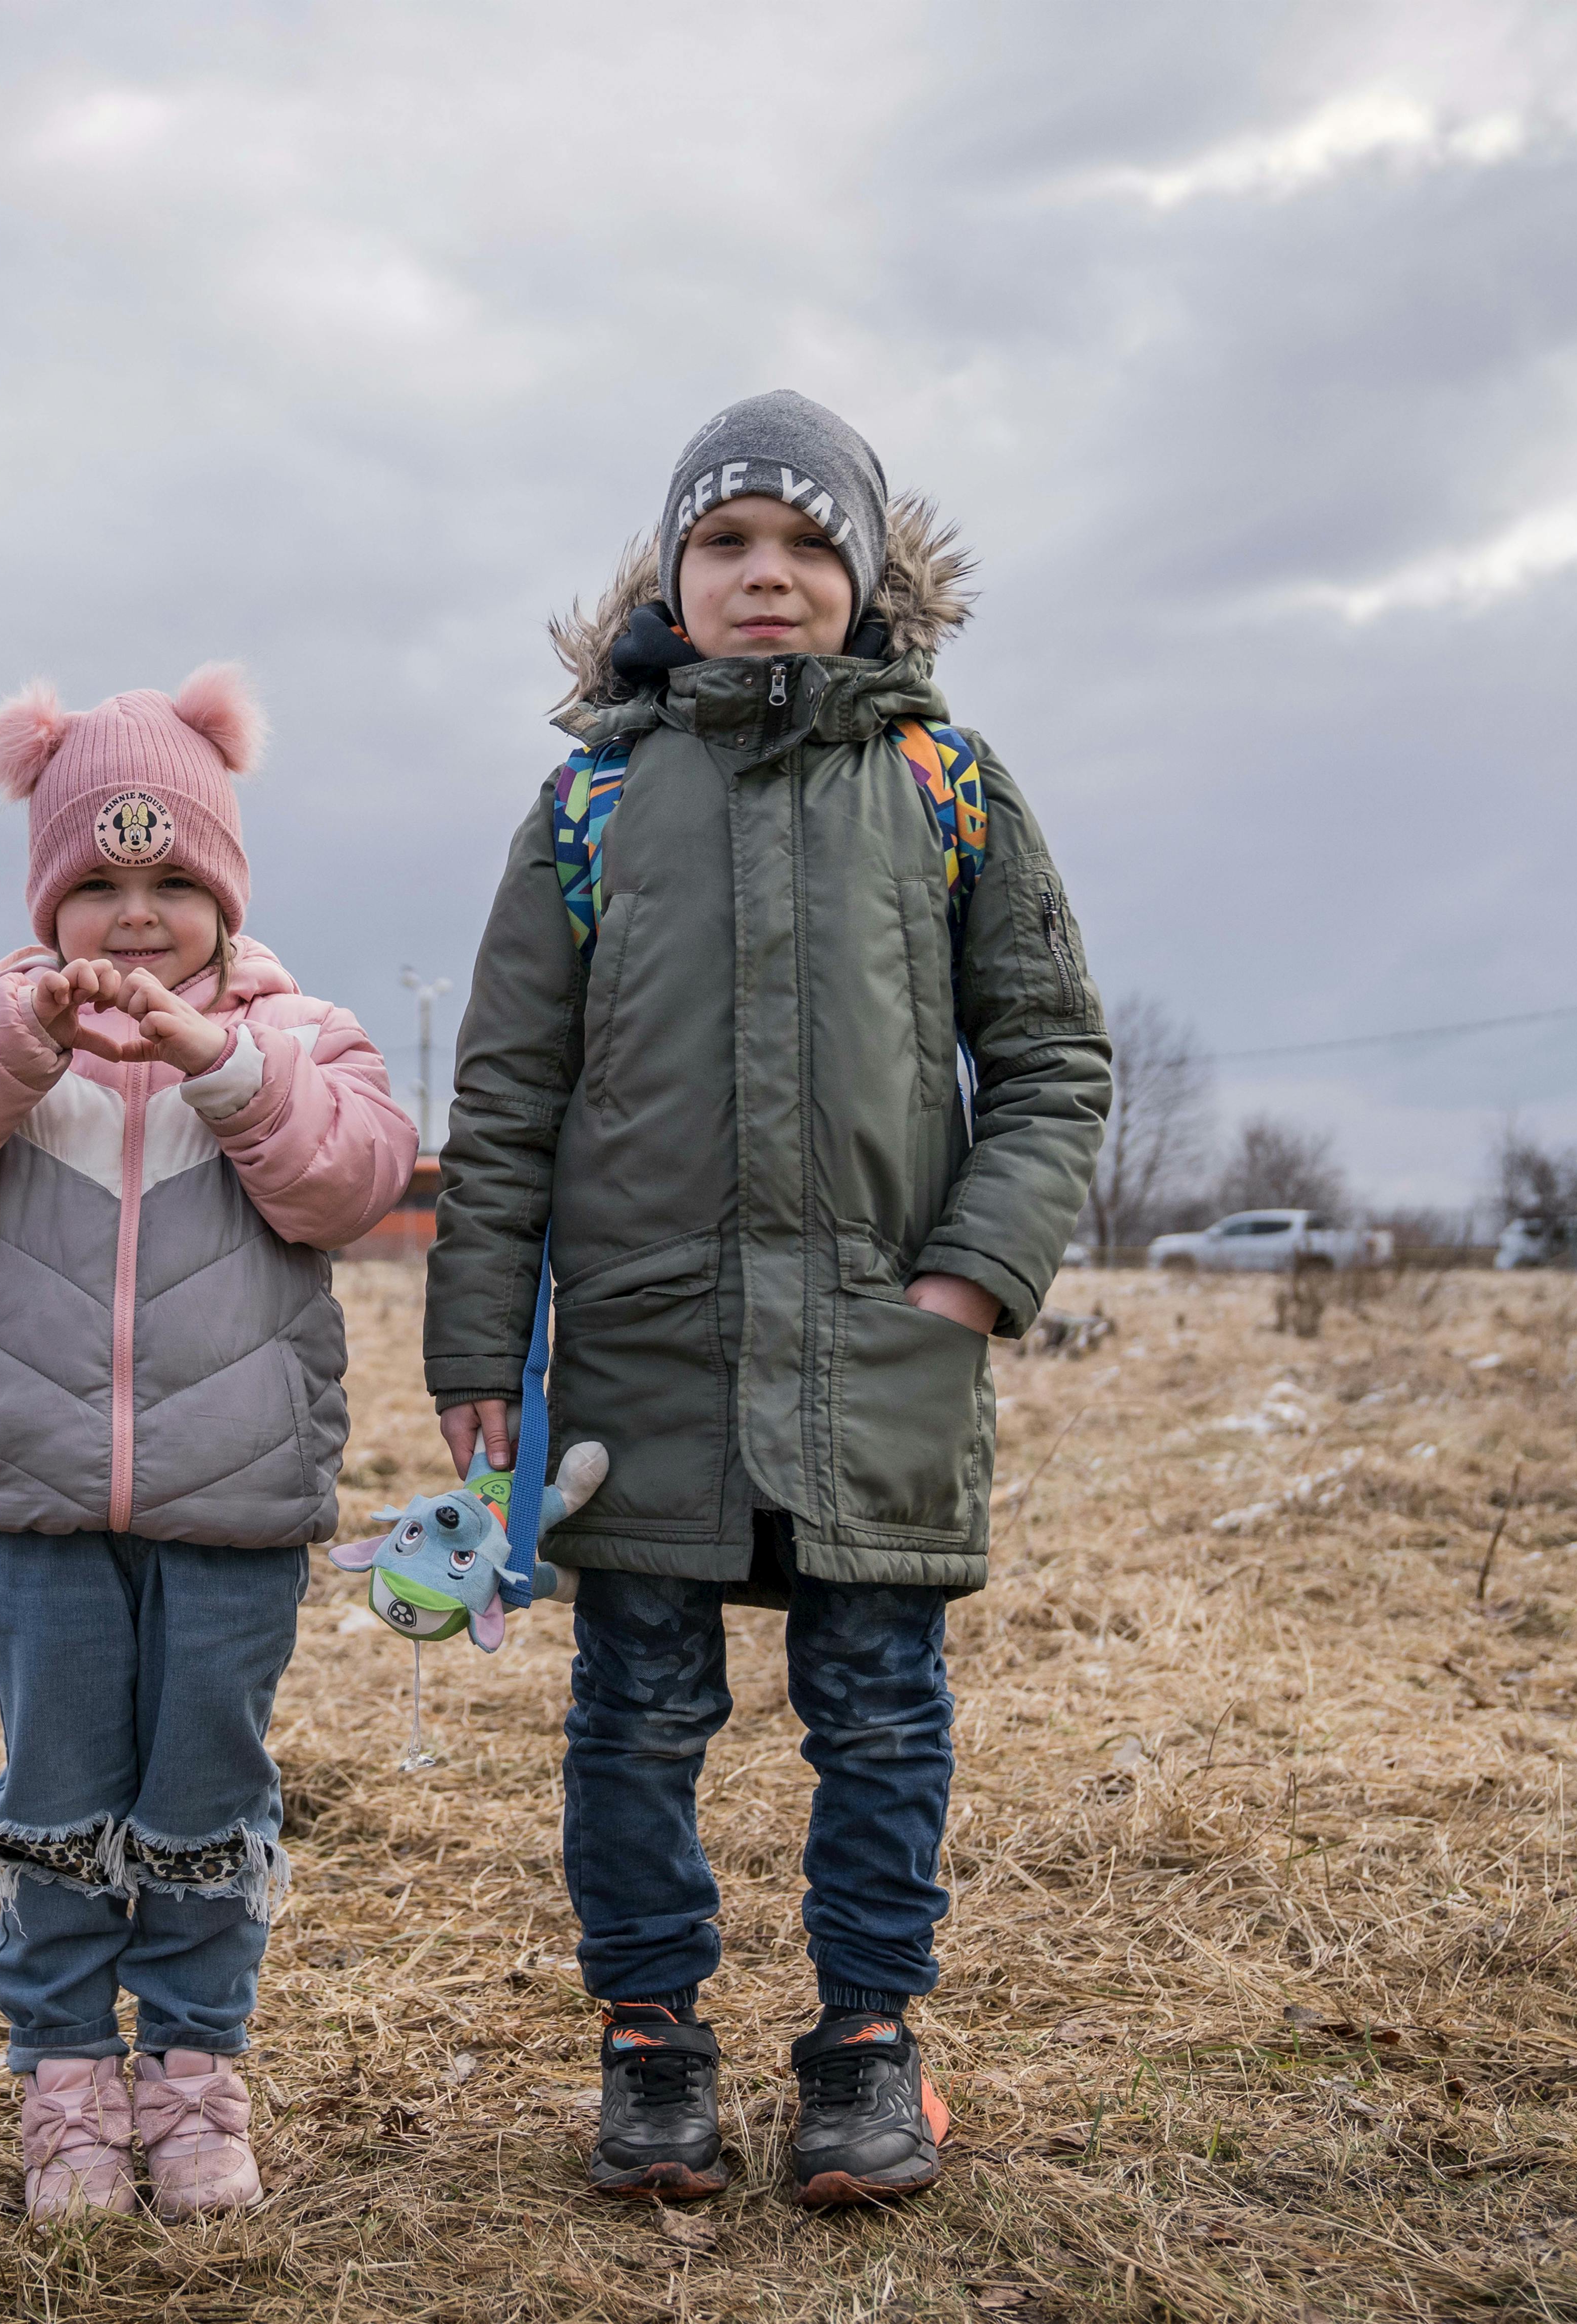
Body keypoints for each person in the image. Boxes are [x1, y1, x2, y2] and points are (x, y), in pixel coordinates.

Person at [427, 392, 1111, 2206]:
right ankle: (652, 2044)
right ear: (670, 570)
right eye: (727, 543)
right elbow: (504, 1096)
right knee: (634, 1719)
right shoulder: (588, 801)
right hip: (643, 1357)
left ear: (870, 579)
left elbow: (1050, 1055)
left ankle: (870, 2047)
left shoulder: (947, 787)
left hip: (886, 1349)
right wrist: (479, 1347)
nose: (767, 577)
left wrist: (972, 1280)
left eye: (810, 547)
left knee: (881, 1714)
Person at [0, 664, 416, 2226]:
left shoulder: (304, 1037)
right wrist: (16, 1041)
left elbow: (350, 1184)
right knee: (54, 1789)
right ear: (47, 902)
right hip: (34, 1508)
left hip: (236, 1510)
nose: (137, 915)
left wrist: (220, 1067)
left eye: (174, 881)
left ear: (229, 895)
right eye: (97, 882)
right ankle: (65, 2085)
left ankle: (193, 2072)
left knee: (202, 1796)